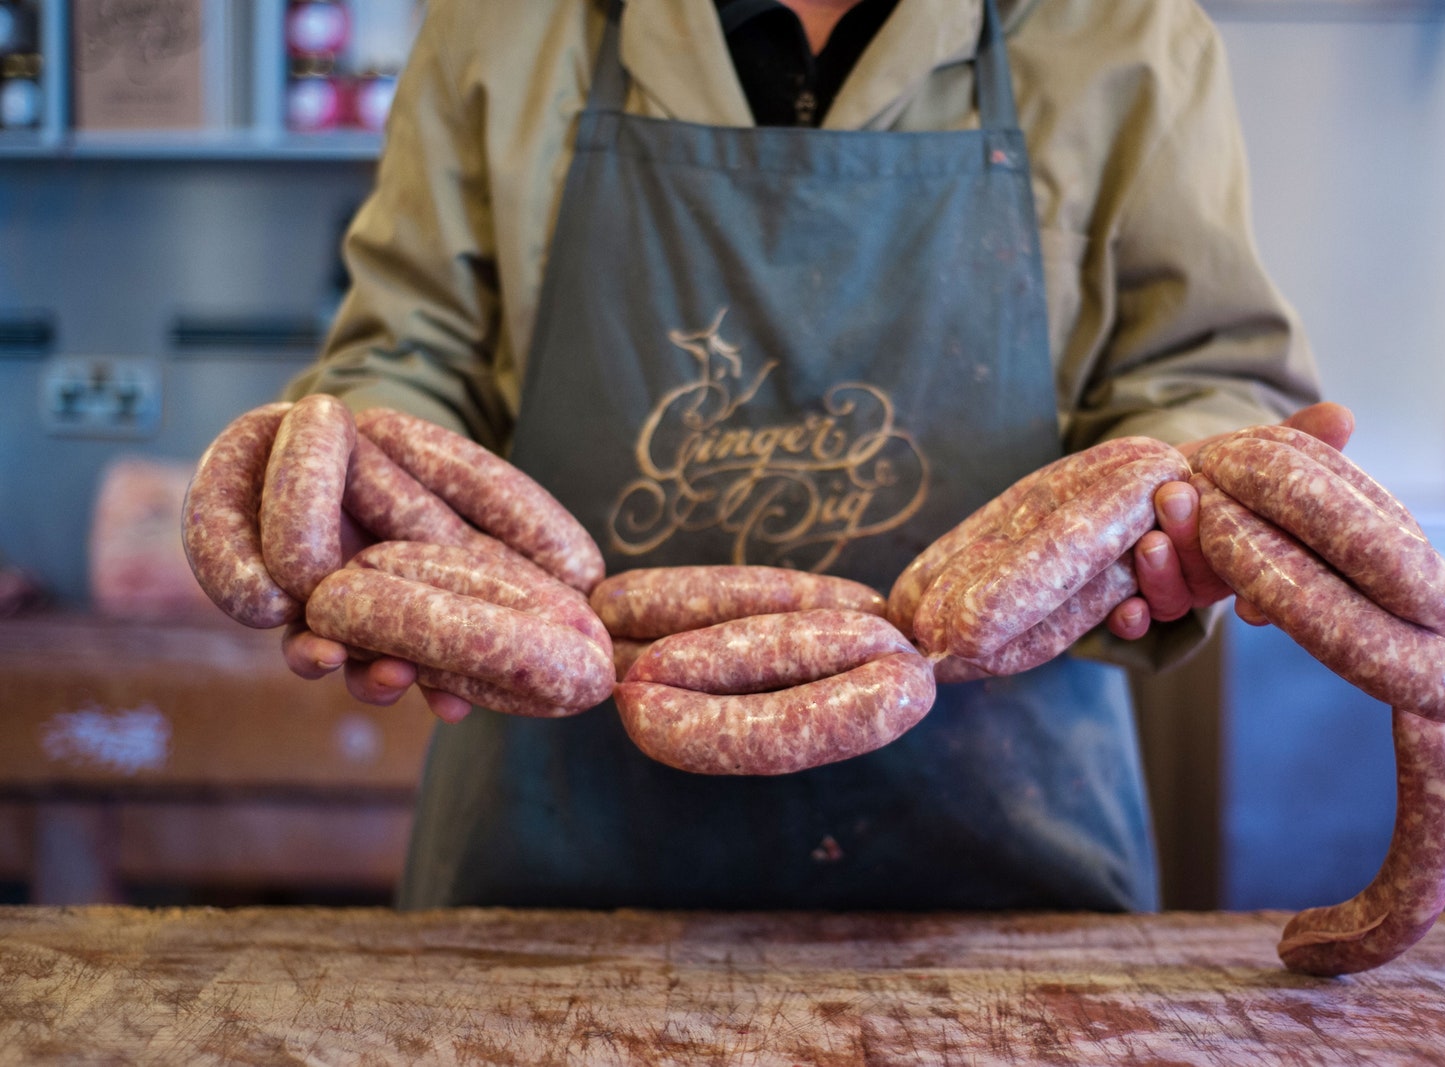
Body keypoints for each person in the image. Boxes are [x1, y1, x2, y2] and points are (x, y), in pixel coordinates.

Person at [267, 0, 1348, 911]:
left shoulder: (1121, 33)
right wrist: (370, 514)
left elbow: (1200, 372)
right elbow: (406, 355)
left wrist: (1193, 498)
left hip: (1004, 846)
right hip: (554, 842)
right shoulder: (501, 25)